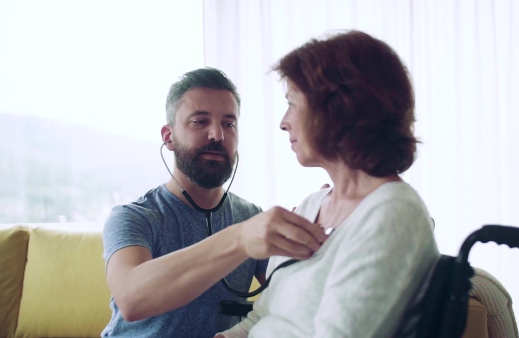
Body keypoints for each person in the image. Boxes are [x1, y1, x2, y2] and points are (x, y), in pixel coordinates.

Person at [216, 30, 440, 338]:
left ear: (337, 107)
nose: (284, 121)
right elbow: (262, 315)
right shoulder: (311, 207)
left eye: (292, 103)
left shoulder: (393, 214)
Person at [101, 67, 329, 337]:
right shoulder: (133, 217)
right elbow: (131, 298)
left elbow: (292, 296)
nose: (217, 135)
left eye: (228, 124)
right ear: (168, 137)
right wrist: (241, 238)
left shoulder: (250, 216)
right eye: (200, 121)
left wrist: (318, 224)